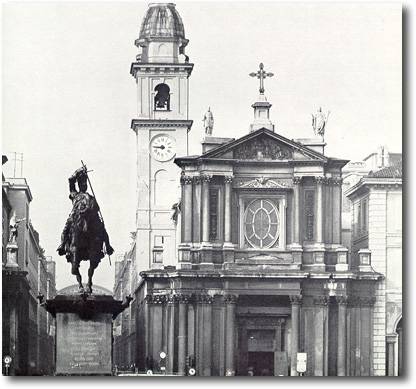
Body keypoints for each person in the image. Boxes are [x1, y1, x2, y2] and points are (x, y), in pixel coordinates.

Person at [57, 167, 113, 293]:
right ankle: (62, 245)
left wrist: (92, 211)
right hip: (76, 217)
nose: (83, 185)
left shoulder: (91, 198)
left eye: (84, 183)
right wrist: (78, 172)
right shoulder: (75, 195)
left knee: (101, 227)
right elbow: (70, 181)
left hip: (90, 219)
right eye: (81, 183)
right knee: (66, 228)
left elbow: (96, 209)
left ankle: (107, 246)